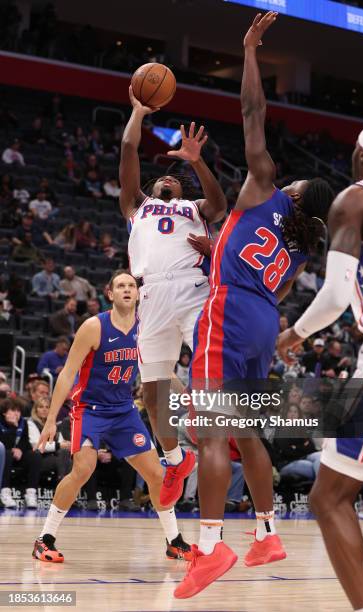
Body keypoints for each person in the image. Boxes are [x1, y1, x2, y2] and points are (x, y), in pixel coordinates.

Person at [175, 12, 334, 599]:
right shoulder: (298, 250)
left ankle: (210, 547)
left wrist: (248, 50)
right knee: (245, 433)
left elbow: (252, 114)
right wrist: (218, 247)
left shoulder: (266, 181)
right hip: (263, 321)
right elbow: (258, 271)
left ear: (292, 192)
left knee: (213, 434)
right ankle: (267, 533)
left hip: (228, 311)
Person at [277, 120, 363, 611]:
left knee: (327, 497)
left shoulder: (354, 200)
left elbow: (333, 296)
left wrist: (293, 333)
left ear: (361, 153)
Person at [33, 270, 192, 563]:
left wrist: (187, 395)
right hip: (89, 409)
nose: (127, 290)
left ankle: (174, 541)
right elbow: (68, 373)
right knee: (83, 469)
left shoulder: (146, 327)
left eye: (132, 285)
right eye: (121, 286)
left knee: (157, 475)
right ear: (110, 294)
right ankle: (45, 538)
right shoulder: (93, 327)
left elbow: (161, 367)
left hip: (123, 410)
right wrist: (52, 419)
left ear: (138, 293)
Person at [119, 80, 227, 509]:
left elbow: (220, 205)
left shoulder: (195, 208)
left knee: (206, 365)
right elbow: (128, 154)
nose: (167, 179)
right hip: (151, 296)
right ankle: (175, 458)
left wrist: (197, 163)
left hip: (191, 291)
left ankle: (210, 423)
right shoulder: (137, 205)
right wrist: (138, 115)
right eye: (161, 176)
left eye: (173, 178)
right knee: (151, 388)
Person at [0, 398, 42, 509]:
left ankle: (31, 493)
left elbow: (26, 443)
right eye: (13, 410)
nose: (16, 414)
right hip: (4, 457)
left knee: (35, 455)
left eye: (18, 411)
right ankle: (5, 493)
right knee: (7, 453)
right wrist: (14, 427)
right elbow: (2, 444)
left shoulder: (23, 423)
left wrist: (20, 449)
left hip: (18, 457)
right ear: (4, 412)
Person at [27, 397, 71, 482]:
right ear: (35, 410)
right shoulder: (31, 423)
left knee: (68, 458)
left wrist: (65, 445)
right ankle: (62, 485)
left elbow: (62, 443)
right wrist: (59, 445)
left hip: (57, 456)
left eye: (47, 407)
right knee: (62, 460)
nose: (44, 410)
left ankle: (69, 487)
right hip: (39, 458)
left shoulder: (56, 425)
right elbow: (37, 445)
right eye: (41, 407)